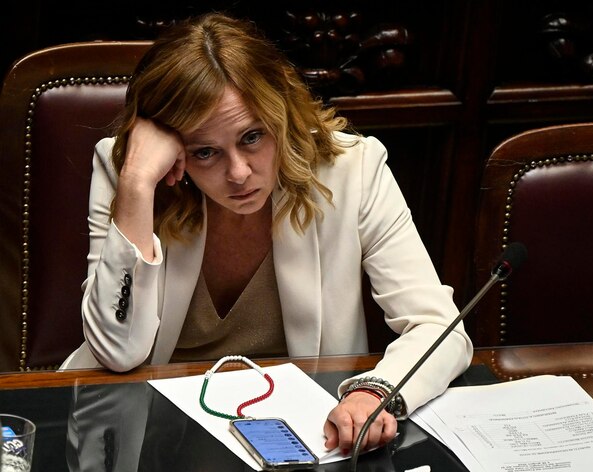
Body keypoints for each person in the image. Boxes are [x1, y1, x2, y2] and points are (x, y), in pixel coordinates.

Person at [59, 12, 472, 455]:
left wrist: (372, 392)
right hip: (147, 438)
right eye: (205, 152)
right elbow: (116, 352)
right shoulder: (132, 175)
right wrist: (138, 184)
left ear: (281, 114)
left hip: (297, 440)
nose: (238, 173)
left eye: (252, 136)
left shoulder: (352, 170)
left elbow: (439, 327)